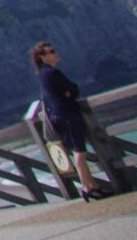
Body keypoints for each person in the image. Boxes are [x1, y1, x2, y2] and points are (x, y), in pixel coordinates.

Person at [32, 40, 111, 200]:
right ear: (42, 57)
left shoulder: (43, 74)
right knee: (80, 152)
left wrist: (69, 92)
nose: (56, 53)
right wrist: (69, 92)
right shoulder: (53, 73)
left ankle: (92, 186)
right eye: (51, 51)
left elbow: (70, 90)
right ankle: (86, 188)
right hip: (67, 115)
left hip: (58, 116)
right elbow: (73, 88)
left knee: (78, 150)